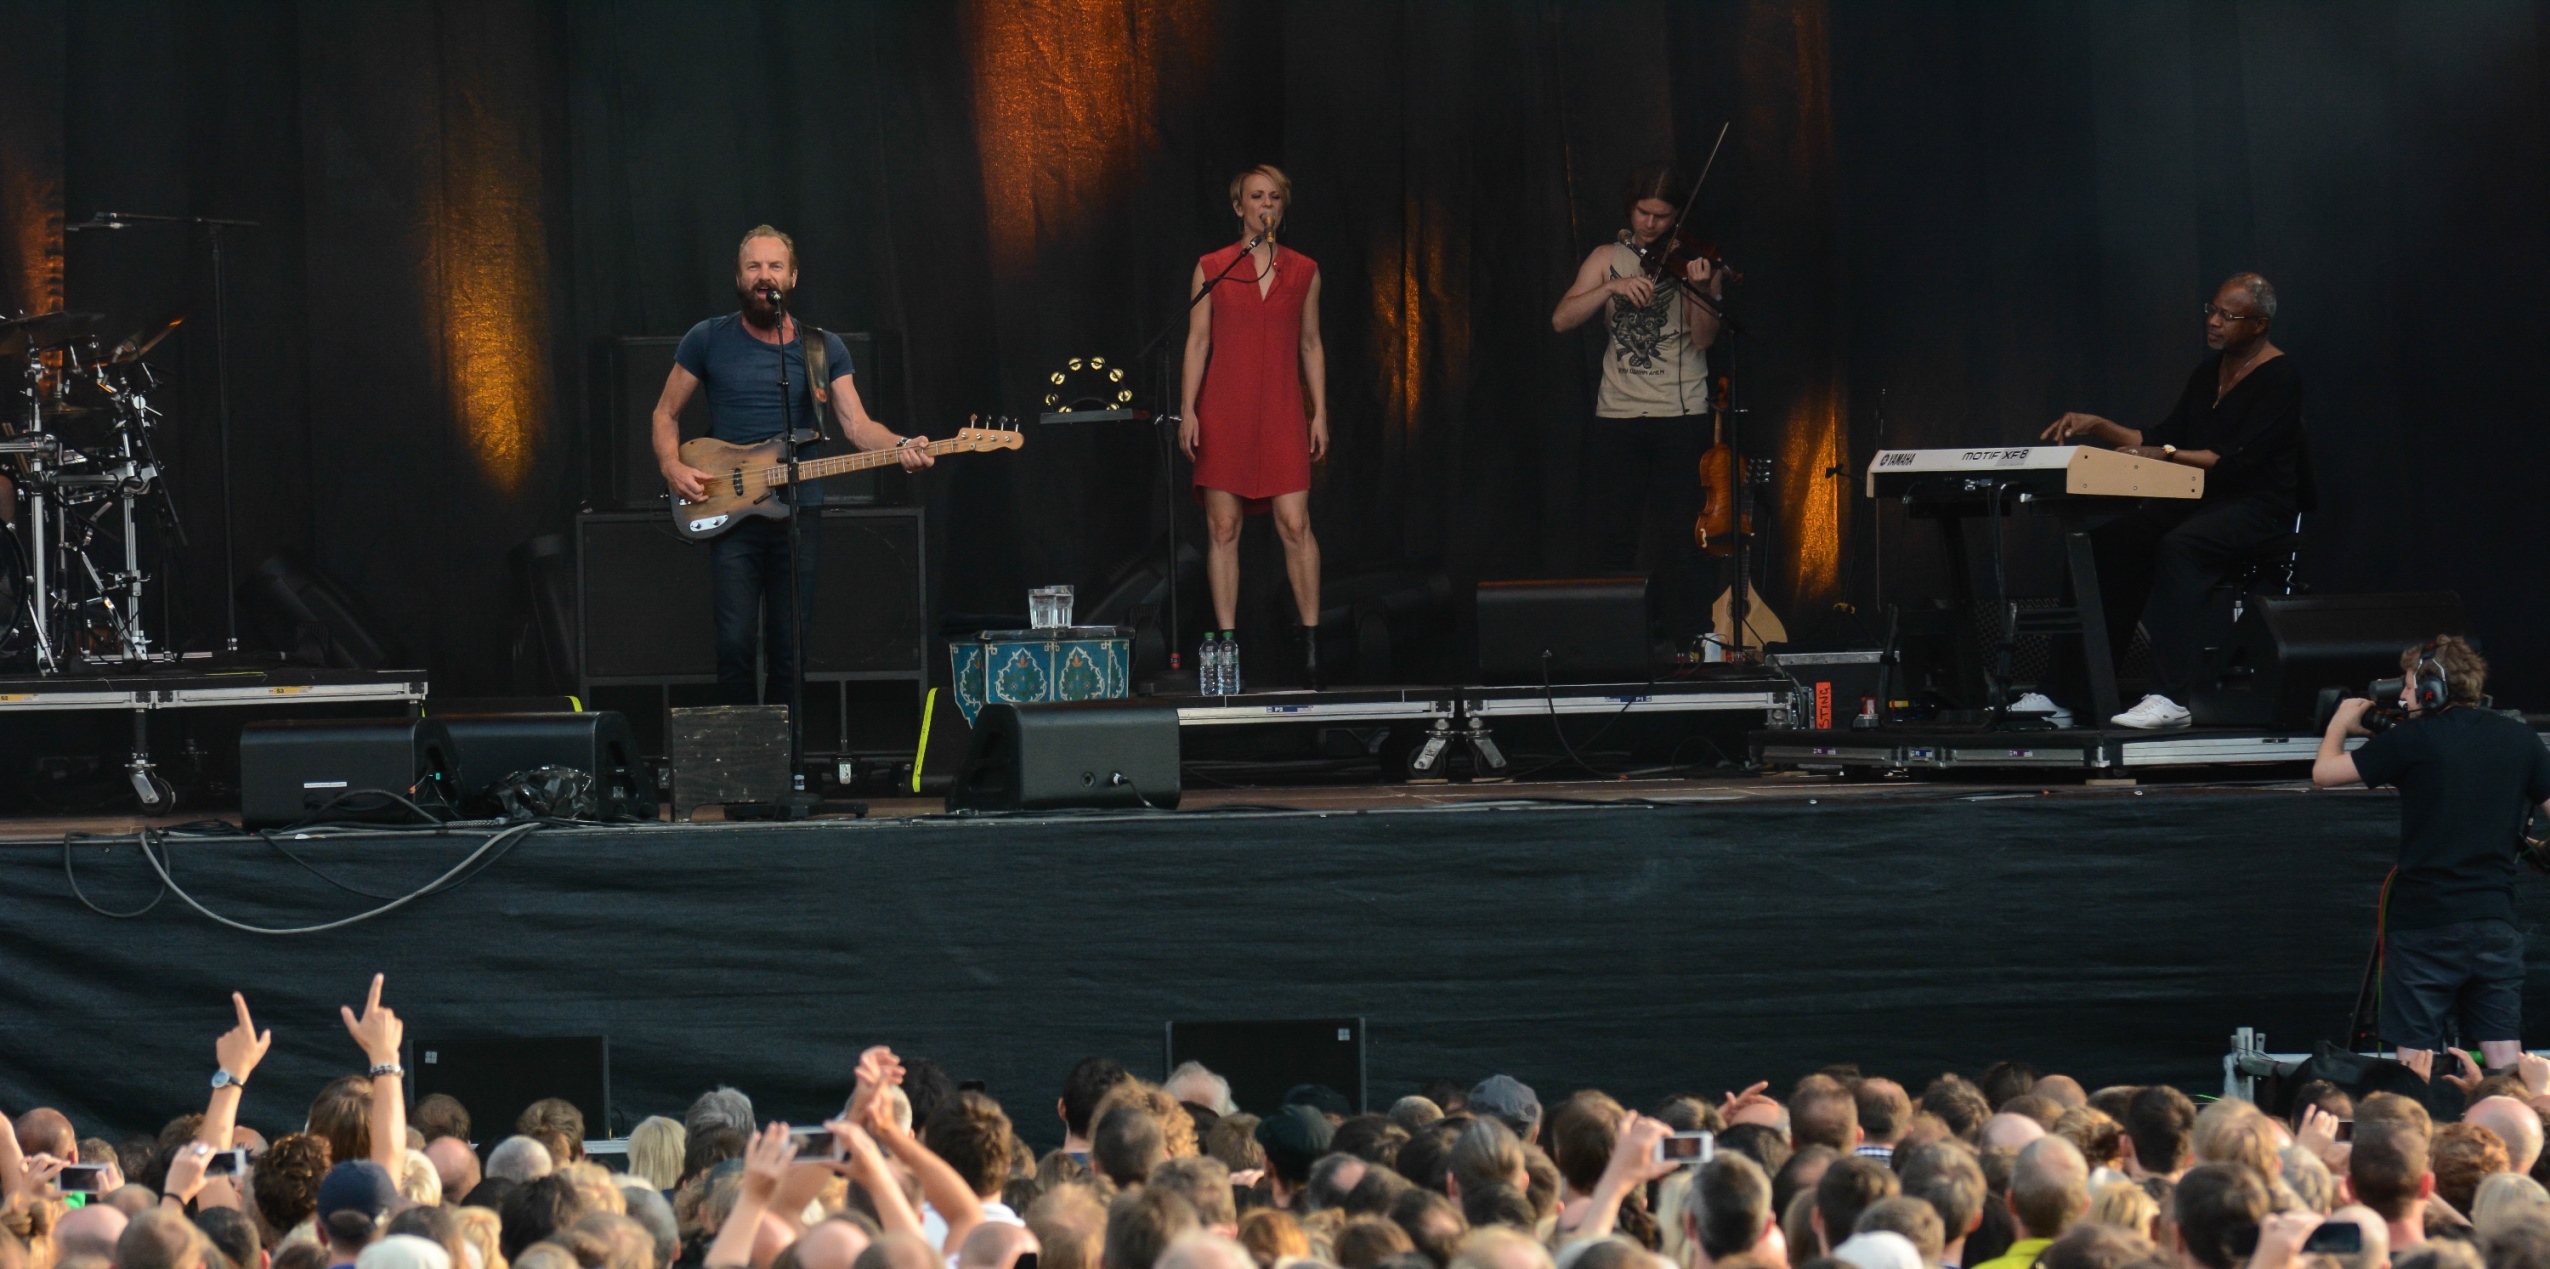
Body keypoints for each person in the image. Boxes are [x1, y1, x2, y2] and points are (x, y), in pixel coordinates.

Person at [653, 225, 933, 705]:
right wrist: (670, 465)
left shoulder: (822, 348)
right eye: (754, 266)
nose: (764, 276)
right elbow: (665, 413)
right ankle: (741, 747)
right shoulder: (707, 338)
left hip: (798, 512)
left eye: (775, 266)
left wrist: (903, 444)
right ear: (739, 277)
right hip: (731, 511)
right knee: (735, 643)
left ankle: (785, 748)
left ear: (793, 277)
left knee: (791, 649)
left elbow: (857, 426)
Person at [2040, 272, 2310, 729]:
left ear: (2259, 324)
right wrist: (2100, 427)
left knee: (2180, 547)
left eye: (2228, 316)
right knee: (2105, 545)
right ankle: (2069, 694)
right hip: (2199, 500)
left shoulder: (2281, 378)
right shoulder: (2208, 374)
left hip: (2258, 508)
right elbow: (2163, 437)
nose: (2214, 321)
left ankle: (2171, 698)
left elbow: (2236, 462)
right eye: (2212, 310)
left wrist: (2164, 453)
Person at [2315, 636, 2550, 1075]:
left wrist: (2340, 724)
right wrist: (2534, 849)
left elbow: (2324, 773)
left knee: (2415, 1062)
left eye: (2407, 687)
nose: (2403, 698)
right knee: (2505, 1059)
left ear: (2431, 690)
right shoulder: (2521, 738)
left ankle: (2414, 1118)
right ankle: (2517, 1115)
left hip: (2424, 922)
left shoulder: (2412, 739)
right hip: (2494, 920)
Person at [1550, 165, 1726, 654]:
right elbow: (1562, 319)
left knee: (1683, 536)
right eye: (1643, 213)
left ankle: (1690, 641)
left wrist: (1703, 290)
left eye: (1662, 216)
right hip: (1618, 416)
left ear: (1677, 216)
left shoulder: (1696, 262)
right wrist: (1610, 287)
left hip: (1680, 414)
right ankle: (1612, 641)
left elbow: (1703, 340)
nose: (1650, 224)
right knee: (1612, 535)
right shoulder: (1607, 257)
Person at [1179, 165, 1330, 688]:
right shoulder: (1213, 267)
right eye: (1256, 196)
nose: (1266, 205)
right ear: (1238, 206)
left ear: (1282, 207)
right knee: (1223, 528)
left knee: (1295, 524)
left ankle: (1311, 648)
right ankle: (1227, 647)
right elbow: (1198, 341)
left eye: (1274, 197)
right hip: (1225, 408)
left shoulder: (1305, 270)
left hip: (1283, 409)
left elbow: (1310, 343)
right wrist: (1189, 409)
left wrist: (1320, 412)